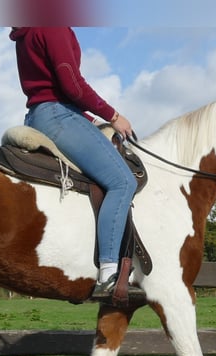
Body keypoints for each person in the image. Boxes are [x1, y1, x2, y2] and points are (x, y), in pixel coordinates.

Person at [10, 26, 143, 301]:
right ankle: (109, 272)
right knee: (122, 181)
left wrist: (90, 120)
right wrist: (113, 115)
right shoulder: (53, 25)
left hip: (40, 114)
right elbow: (71, 84)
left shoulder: (29, 28)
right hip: (58, 116)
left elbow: (56, 88)